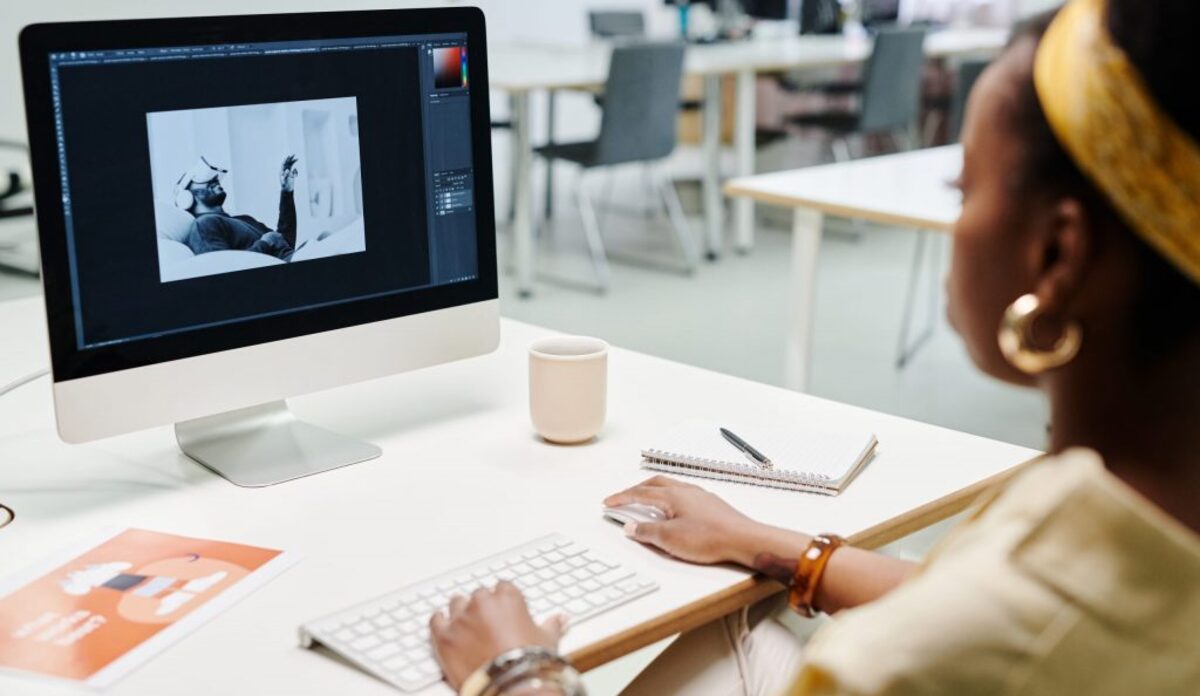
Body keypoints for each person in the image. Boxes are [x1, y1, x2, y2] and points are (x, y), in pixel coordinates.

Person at [428, 0, 1200, 693]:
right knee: (733, 619)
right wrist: (769, 545)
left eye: (963, 190)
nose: (954, 217)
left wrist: (516, 674)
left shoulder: (901, 669)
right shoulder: (1136, 521)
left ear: (1056, 258)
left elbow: (976, 626)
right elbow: (975, 593)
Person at [174, 155, 299, 260]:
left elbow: (285, 244)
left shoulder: (245, 219)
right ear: (185, 197)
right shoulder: (204, 225)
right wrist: (265, 243)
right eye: (200, 180)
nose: (215, 180)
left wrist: (287, 192)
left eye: (215, 180)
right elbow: (224, 272)